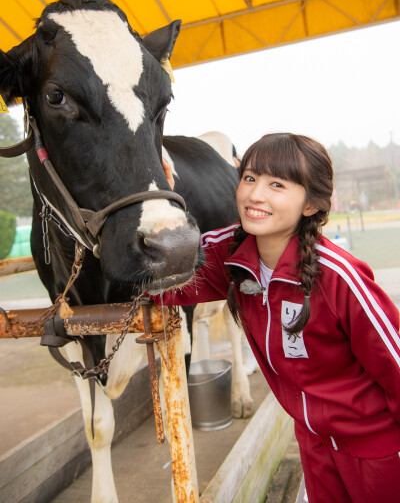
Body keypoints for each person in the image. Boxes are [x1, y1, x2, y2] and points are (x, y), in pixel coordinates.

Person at [157, 132, 400, 503]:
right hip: (312, 443)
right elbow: (162, 282)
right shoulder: (230, 254)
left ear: (310, 204)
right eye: (250, 178)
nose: (255, 195)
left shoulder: (340, 278)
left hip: (377, 448)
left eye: (277, 184)